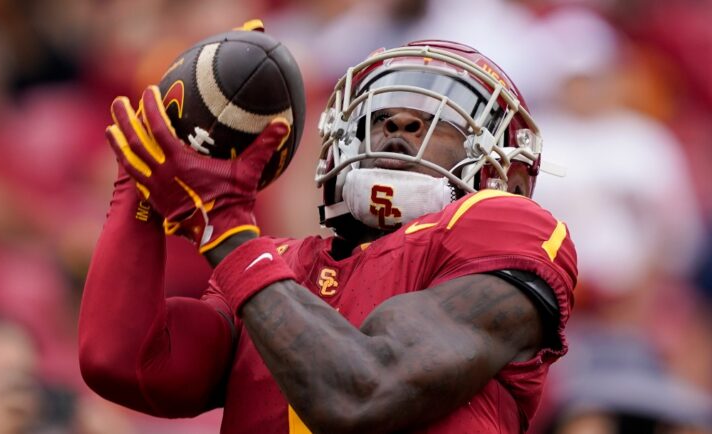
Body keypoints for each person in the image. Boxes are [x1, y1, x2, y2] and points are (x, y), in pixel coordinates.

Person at [78, 35, 577, 433]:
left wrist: (225, 226)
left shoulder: (508, 226)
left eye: (440, 120)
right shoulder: (277, 264)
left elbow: (364, 391)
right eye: (377, 115)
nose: (396, 123)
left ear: (510, 180)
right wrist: (142, 182)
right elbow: (124, 362)